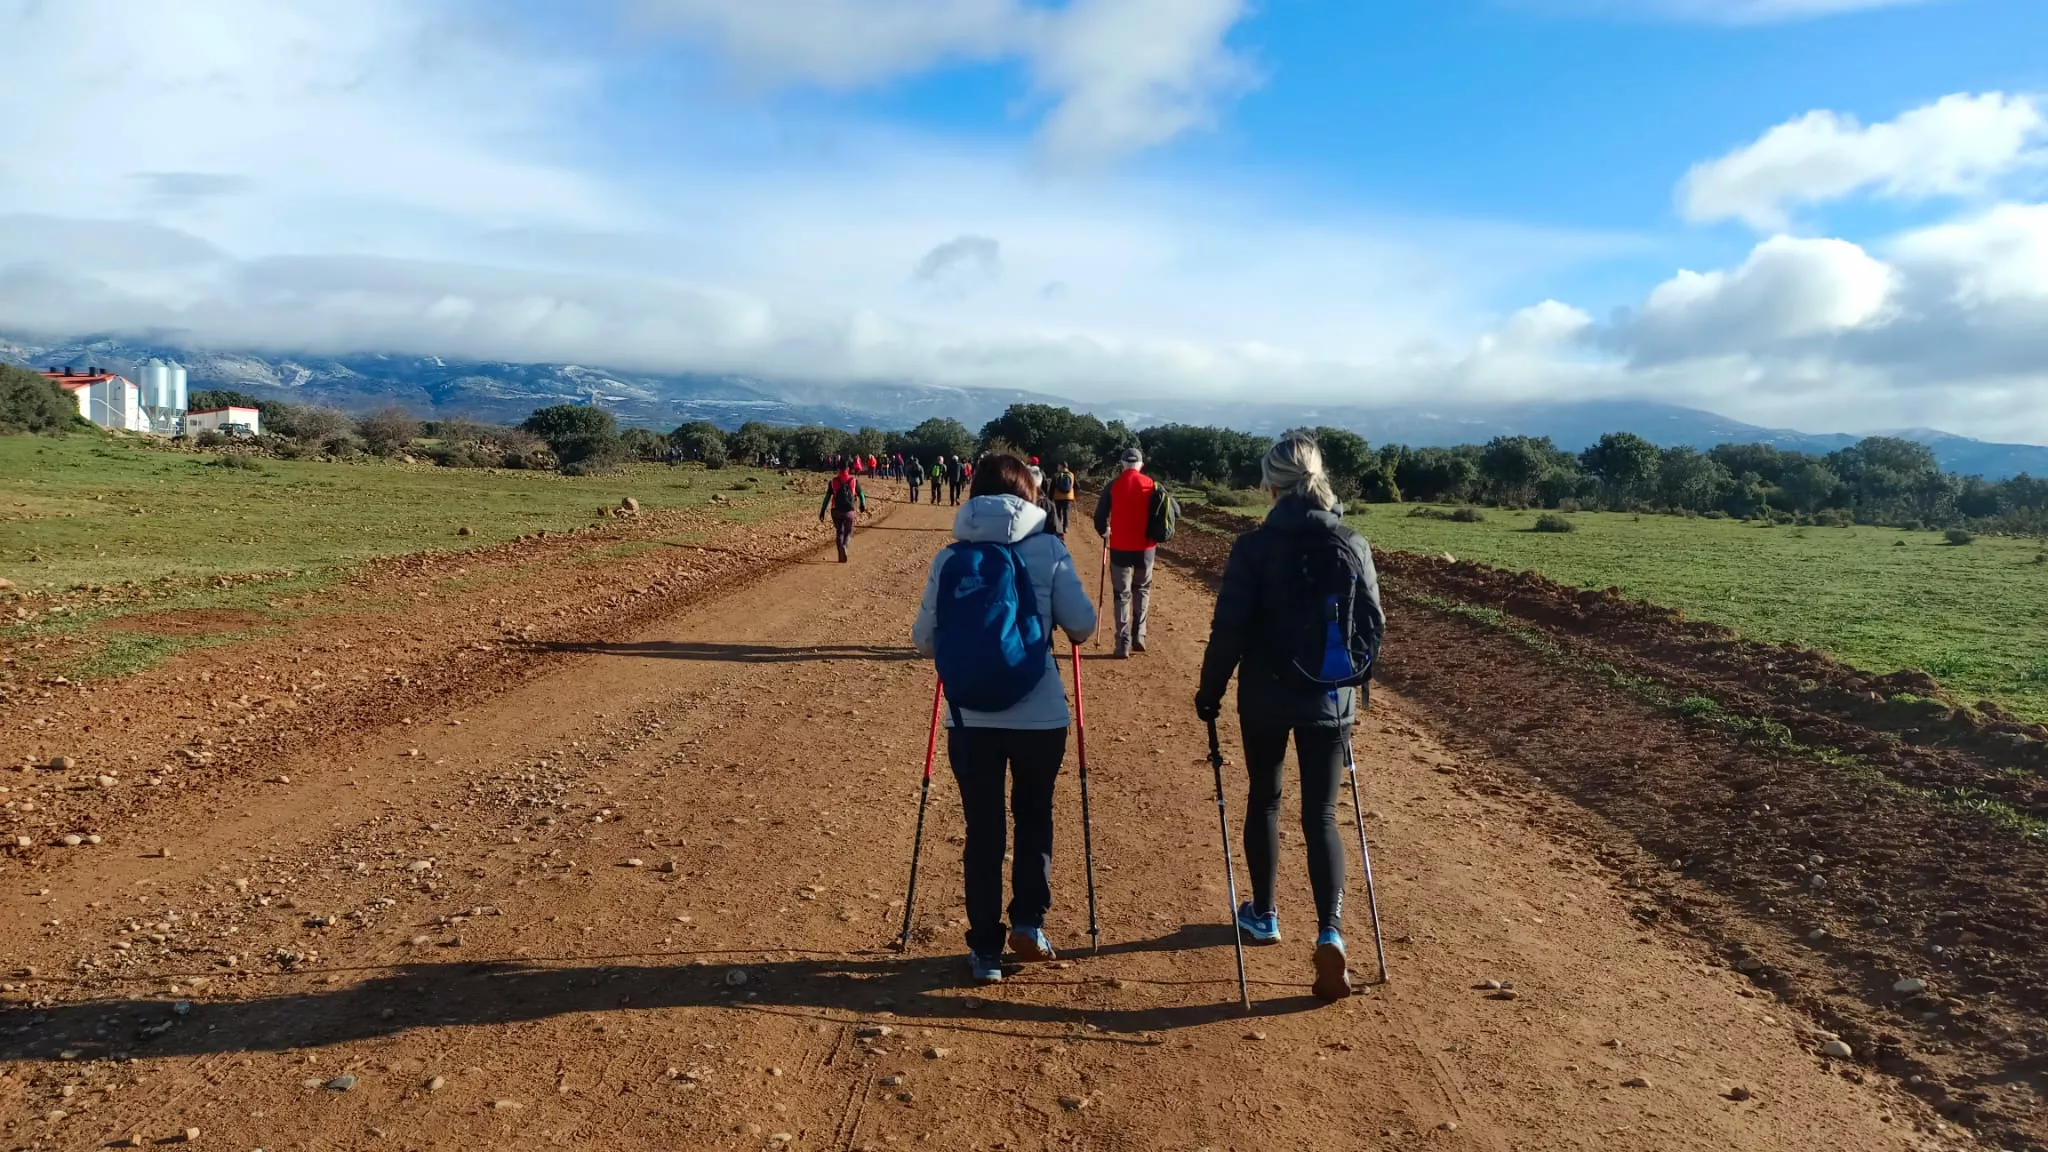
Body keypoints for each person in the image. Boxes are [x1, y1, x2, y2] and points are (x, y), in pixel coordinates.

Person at [1193, 433, 1383, 1003]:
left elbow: (1229, 629)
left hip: (1266, 698)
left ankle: (1265, 914)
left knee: (1264, 800)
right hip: (1331, 700)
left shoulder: (1253, 548)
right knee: (1322, 814)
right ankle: (1330, 928)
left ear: (1269, 486)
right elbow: (1371, 632)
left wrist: (1209, 692)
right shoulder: (1353, 541)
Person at [912, 455, 1097, 983]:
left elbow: (923, 642)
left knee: (983, 829)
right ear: (1030, 494)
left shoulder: (951, 559)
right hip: (1041, 718)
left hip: (970, 720)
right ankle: (1029, 922)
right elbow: (1083, 628)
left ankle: (985, 951)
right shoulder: (1051, 550)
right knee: (1035, 817)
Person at [1091, 447, 1163, 658]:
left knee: (1121, 594)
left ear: (1122, 464)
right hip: (1146, 548)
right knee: (1142, 589)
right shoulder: (1152, 485)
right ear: (1141, 465)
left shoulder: (1113, 486)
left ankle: (1123, 643)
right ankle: (1140, 634)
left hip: (1120, 547)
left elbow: (1099, 518)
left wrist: (1105, 532)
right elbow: (1173, 510)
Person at [818, 464, 868, 563]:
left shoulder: (833, 482)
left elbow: (827, 497)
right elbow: (861, 495)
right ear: (848, 469)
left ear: (838, 470)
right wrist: (862, 505)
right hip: (849, 511)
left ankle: (840, 554)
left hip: (836, 511)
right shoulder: (853, 481)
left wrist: (822, 510)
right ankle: (845, 545)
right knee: (848, 532)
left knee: (839, 532)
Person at [1048, 462, 1077, 535]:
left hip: (1058, 497)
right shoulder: (1071, 474)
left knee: (1058, 512)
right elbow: (1077, 486)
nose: (1057, 467)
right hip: (1068, 497)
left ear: (1061, 466)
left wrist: (1050, 498)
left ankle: (1059, 527)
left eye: (1058, 466)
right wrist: (1074, 494)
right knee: (1066, 511)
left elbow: (1052, 487)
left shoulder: (1056, 475)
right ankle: (1065, 527)